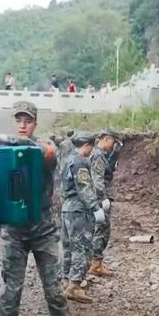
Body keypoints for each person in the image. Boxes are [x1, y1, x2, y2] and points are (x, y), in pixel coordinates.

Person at [0, 101, 70, 316]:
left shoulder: (45, 146)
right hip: (14, 230)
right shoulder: (3, 150)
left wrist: (15, 141)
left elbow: (49, 155)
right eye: (18, 121)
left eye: (27, 121)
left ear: (35, 124)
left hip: (43, 229)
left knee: (54, 291)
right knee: (10, 291)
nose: (22, 125)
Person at [60, 132, 105, 304]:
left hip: (67, 209)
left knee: (67, 247)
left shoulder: (67, 159)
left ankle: (66, 280)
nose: (91, 151)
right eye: (90, 147)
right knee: (82, 248)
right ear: (86, 145)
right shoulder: (79, 162)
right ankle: (75, 286)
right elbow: (84, 187)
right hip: (79, 210)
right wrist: (95, 207)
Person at [88, 130, 121, 277]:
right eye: (113, 142)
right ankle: (95, 264)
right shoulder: (99, 155)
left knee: (99, 229)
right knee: (102, 229)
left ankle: (96, 261)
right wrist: (102, 198)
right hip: (100, 198)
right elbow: (97, 179)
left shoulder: (98, 154)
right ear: (107, 139)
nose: (113, 146)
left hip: (97, 197)